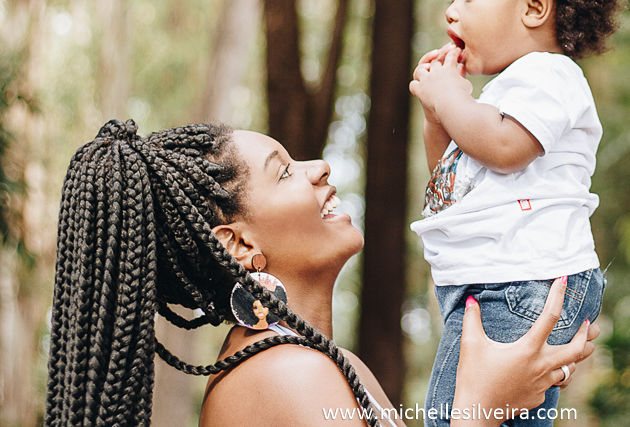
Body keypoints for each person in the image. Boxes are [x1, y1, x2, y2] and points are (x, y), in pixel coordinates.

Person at [44, 119, 599, 427]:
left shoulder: (326, 364)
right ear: (239, 245)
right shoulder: (282, 376)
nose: (319, 168)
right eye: (284, 172)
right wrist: (480, 410)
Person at [409, 0, 625, 427]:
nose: (450, 13)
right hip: (502, 282)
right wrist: (439, 114)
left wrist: (454, 100)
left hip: (520, 285)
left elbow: (504, 150)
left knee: (448, 416)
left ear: (534, 4)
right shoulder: (503, 98)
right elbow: (448, 181)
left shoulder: (552, 77)